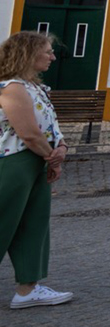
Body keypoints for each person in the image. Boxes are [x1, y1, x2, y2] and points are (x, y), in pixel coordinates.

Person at [0, 30, 71, 309]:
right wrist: (51, 157)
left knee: (34, 223)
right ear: (28, 54)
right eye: (47, 51)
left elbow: (49, 125)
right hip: (15, 161)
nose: (52, 57)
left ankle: (28, 289)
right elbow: (28, 132)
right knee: (3, 220)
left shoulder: (34, 87)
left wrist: (60, 148)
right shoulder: (11, 87)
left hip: (37, 160)